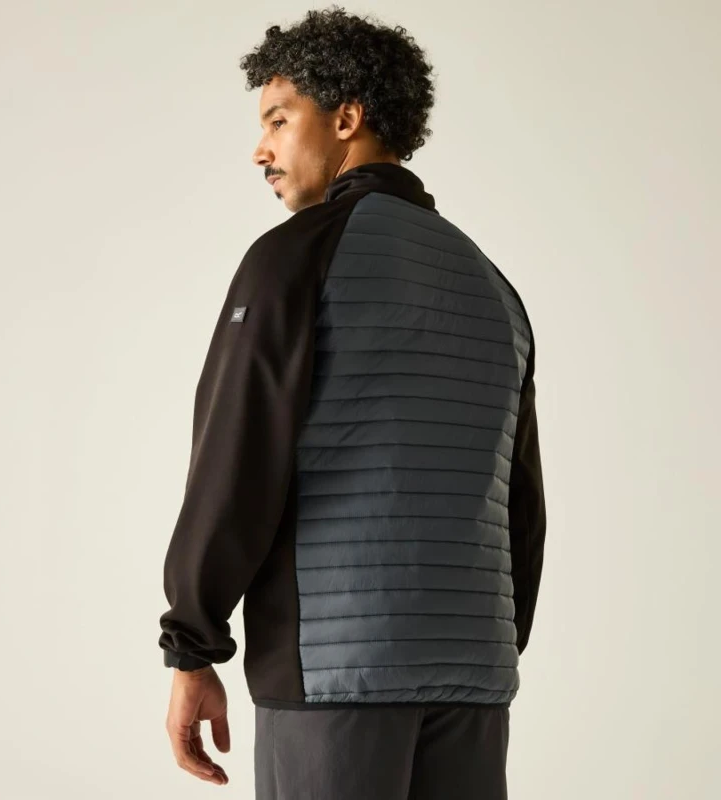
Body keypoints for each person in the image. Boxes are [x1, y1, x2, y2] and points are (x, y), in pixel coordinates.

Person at [159, 7, 546, 798]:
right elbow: (521, 503)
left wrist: (192, 646)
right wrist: (487, 646)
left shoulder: (293, 259)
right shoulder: (491, 284)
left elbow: (237, 459)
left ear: (346, 118)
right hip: (474, 675)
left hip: (334, 677)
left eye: (278, 119)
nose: (260, 149)